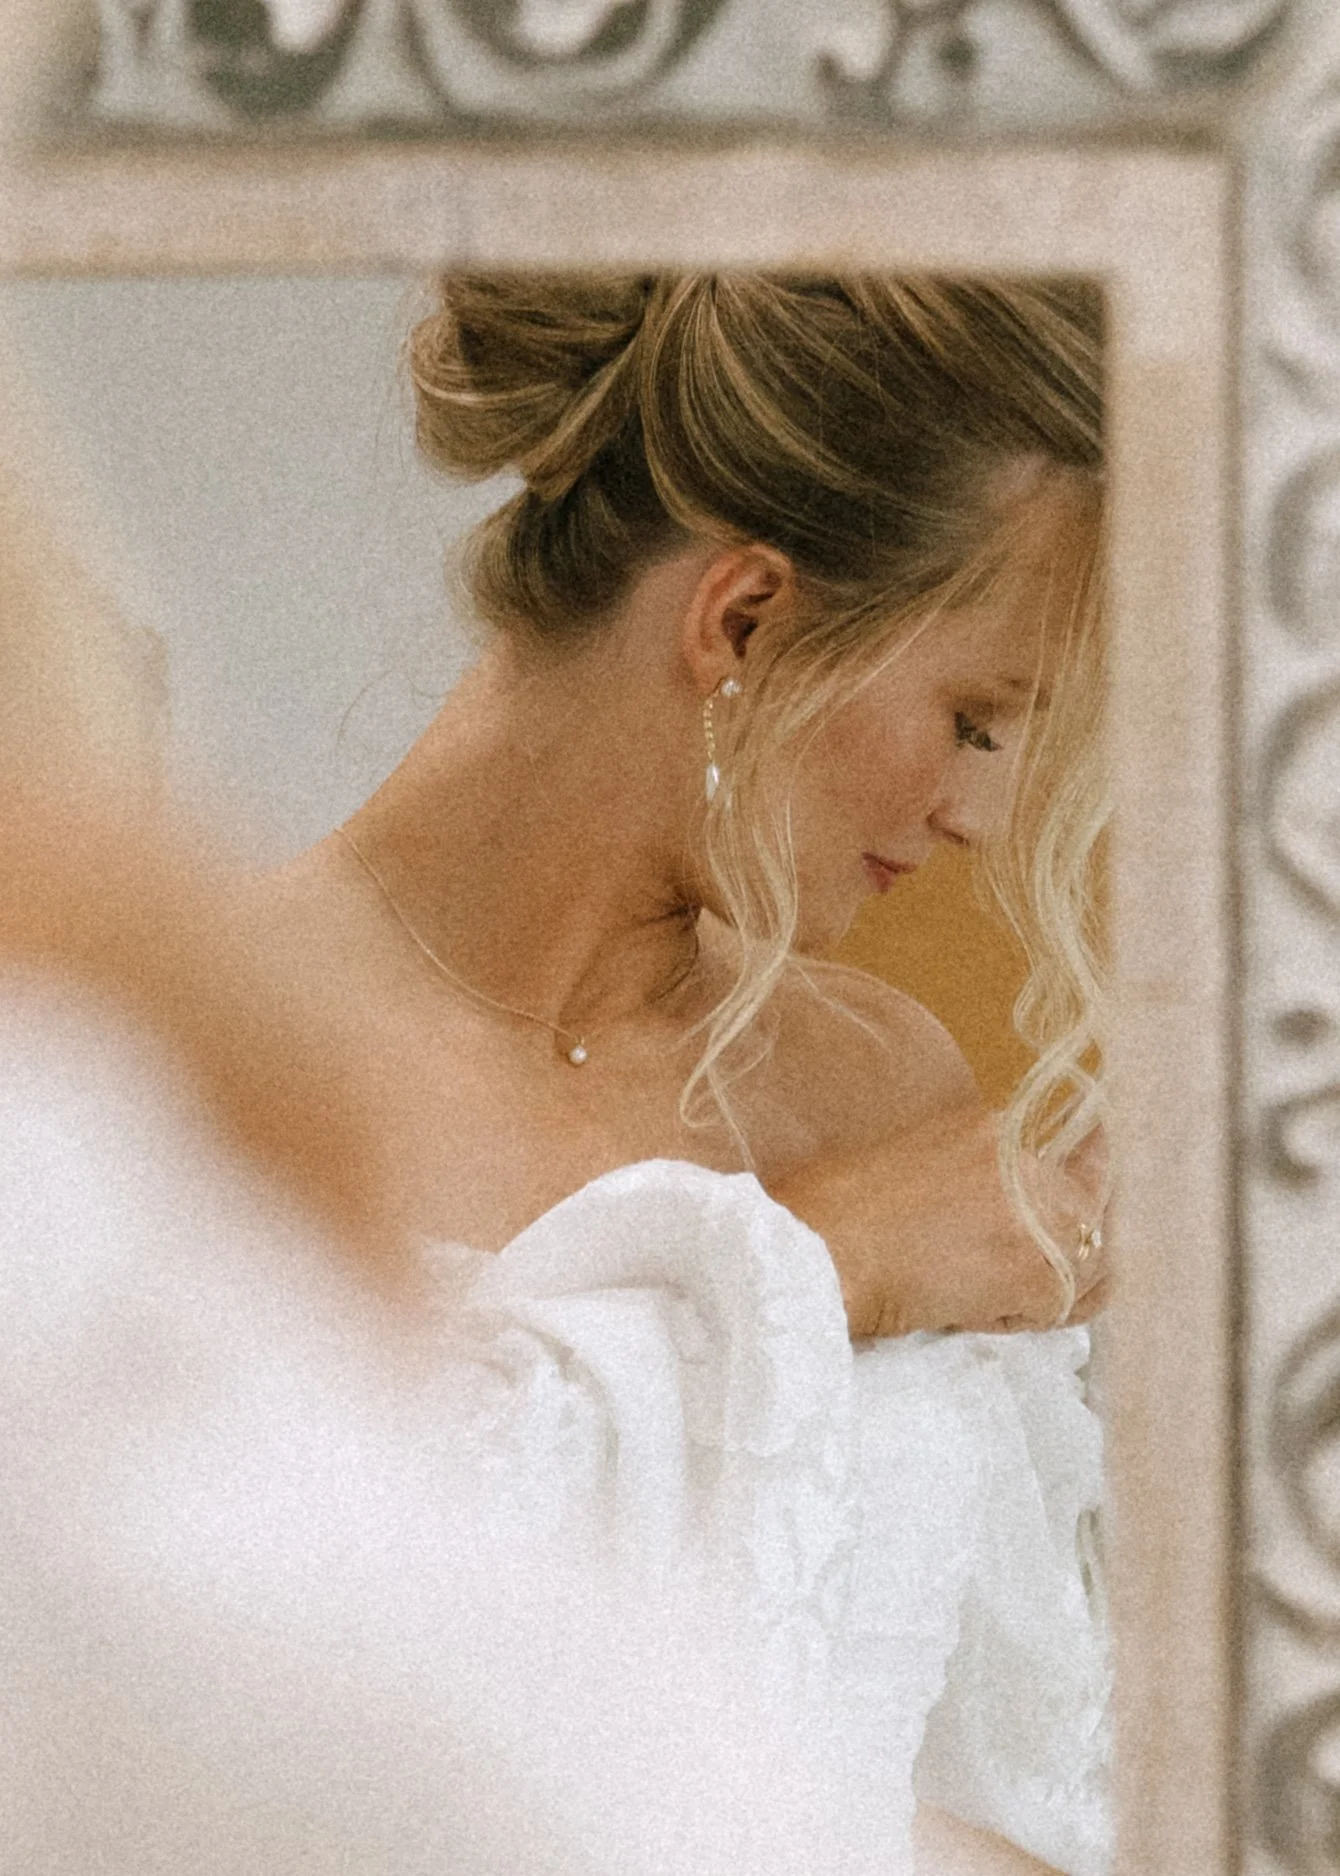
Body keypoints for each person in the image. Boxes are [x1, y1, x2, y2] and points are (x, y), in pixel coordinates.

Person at [0, 273, 1111, 1876]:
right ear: (740, 617)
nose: (977, 815)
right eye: (975, 719)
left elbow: (1017, 1759)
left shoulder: (878, 1081)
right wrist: (818, 1262)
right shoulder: (212, 1084)